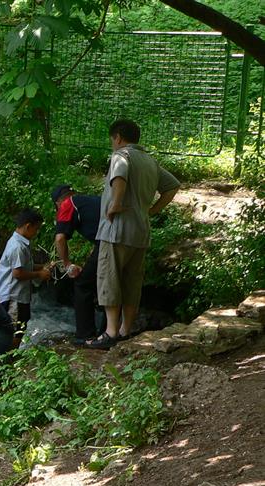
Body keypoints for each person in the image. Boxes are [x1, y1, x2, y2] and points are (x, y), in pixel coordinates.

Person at [86, 119, 180, 349]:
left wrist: (115, 203)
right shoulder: (150, 160)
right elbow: (173, 186)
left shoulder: (121, 155)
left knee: (109, 278)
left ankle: (110, 333)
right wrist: (152, 210)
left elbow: (119, 176)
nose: (112, 144)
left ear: (117, 137)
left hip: (116, 231)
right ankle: (125, 331)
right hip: (140, 232)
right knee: (132, 282)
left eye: (112, 139)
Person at [51, 184, 103, 345]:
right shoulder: (91, 201)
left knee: (82, 284)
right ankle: (111, 333)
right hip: (128, 240)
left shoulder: (67, 204)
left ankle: (85, 336)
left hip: (108, 243)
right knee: (110, 283)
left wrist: (67, 265)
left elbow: (60, 239)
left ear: (58, 203)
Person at [0, 208, 51, 347]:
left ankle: (10, 356)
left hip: (19, 295)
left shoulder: (19, 243)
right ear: (28, 226)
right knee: (15, 329)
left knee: (21, 326)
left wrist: (43, 266)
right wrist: (40, 274)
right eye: (36, 229)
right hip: (14, 296)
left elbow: (24, 266)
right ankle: (9, 358)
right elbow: (18, 273)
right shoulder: (17, 247)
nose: (36, 232)